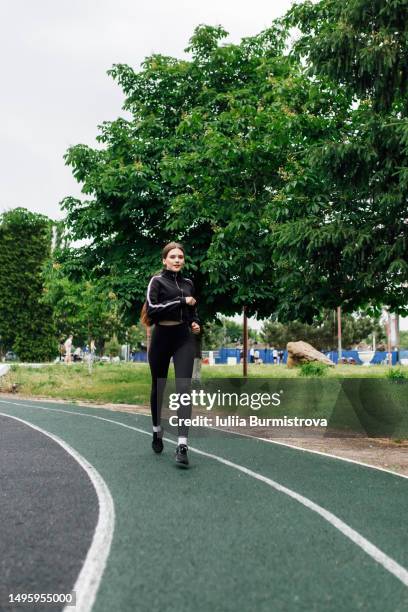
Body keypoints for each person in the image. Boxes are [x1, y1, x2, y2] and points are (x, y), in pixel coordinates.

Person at [141, 242, 201, 467]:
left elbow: (194, 312)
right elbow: (152, 308)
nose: (177, 260)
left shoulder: (188, 284)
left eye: (181, 257)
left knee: (184, 388)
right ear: (164, 260)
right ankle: (157, 430)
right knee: (159, 387)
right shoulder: (157, 281)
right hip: (161, 338)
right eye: (173, 256)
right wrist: (180, 301)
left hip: (182, 338)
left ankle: (182, 445)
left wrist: (195, 323)